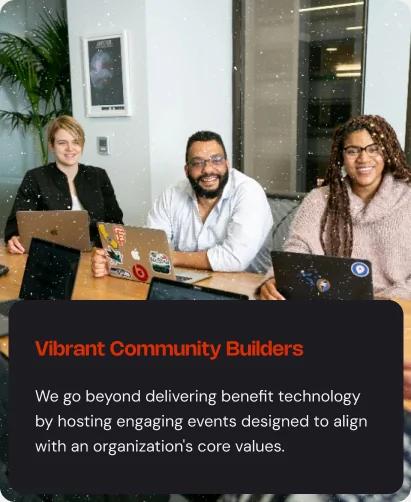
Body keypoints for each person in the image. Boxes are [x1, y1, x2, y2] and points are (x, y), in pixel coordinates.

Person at [258, 115, 411, 300]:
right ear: (342, 156)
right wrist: (275, 279)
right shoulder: (320, 200)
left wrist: (389, 299)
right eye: (353, 151)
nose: (363, 158)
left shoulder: (407, 200)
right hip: (329, 302)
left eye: (373, 149)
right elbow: (296, 250)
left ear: (387, 152)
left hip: (398, 307)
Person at [92, 130, 273, 277]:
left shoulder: (249, 192)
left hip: (247, 289)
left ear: (227, 164)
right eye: (198, 163)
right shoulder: (171, 196)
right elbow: (152, 248)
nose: (208, 169)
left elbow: (234, 258)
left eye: (216, 160)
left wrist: (172, 257)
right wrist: (114, 262)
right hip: (186, 286)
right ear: (187, 170)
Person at [4, 115, 123, 253]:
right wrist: (14, 238)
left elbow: (116, 224)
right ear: (51, 145)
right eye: (62, 143)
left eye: (76, 142)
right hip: (49, 255)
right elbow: (16, 225)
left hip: (95, 255)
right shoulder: (35, 177)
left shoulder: (98, 176)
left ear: (82, 145)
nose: (70, 148)